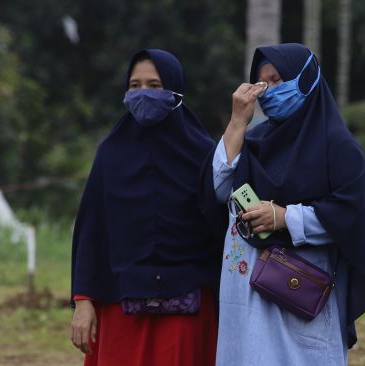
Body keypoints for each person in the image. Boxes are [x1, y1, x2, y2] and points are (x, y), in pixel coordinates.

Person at [201, 43, 365, 365]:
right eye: (263, 82)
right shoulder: (253, 141)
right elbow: (218, 188)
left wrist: (285, 217)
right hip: (243, 289)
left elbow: (351, 214)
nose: (270, 90)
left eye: (278, 79)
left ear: (307, 78)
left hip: (297, 290)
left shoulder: (337, 146)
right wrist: (237, 123)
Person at [70, 49, 223, 366]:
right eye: (135, 85)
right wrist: (83, 302)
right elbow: (92, 231)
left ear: (175, 89)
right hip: (119, 306)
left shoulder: (204, 155)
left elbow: (221, 231)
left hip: (187, 307)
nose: (143, 94)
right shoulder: (111, 154)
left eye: (154, 85)